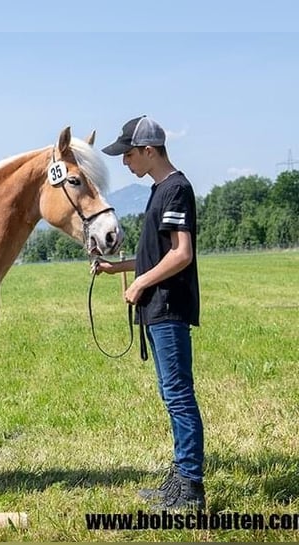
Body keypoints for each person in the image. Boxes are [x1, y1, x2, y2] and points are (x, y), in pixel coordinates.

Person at [93, 115, 205, 511]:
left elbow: (181, 253)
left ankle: (190, 488)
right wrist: (117, 269)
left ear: (149, 151)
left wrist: (139, 285)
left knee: (178, 396)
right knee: (170, 394)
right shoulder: (159, 190)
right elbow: (152, 255)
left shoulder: (176, 189)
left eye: (128, 155)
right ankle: (179, 478)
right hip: (157, 309)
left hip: (168, 307)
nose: (125, 162)